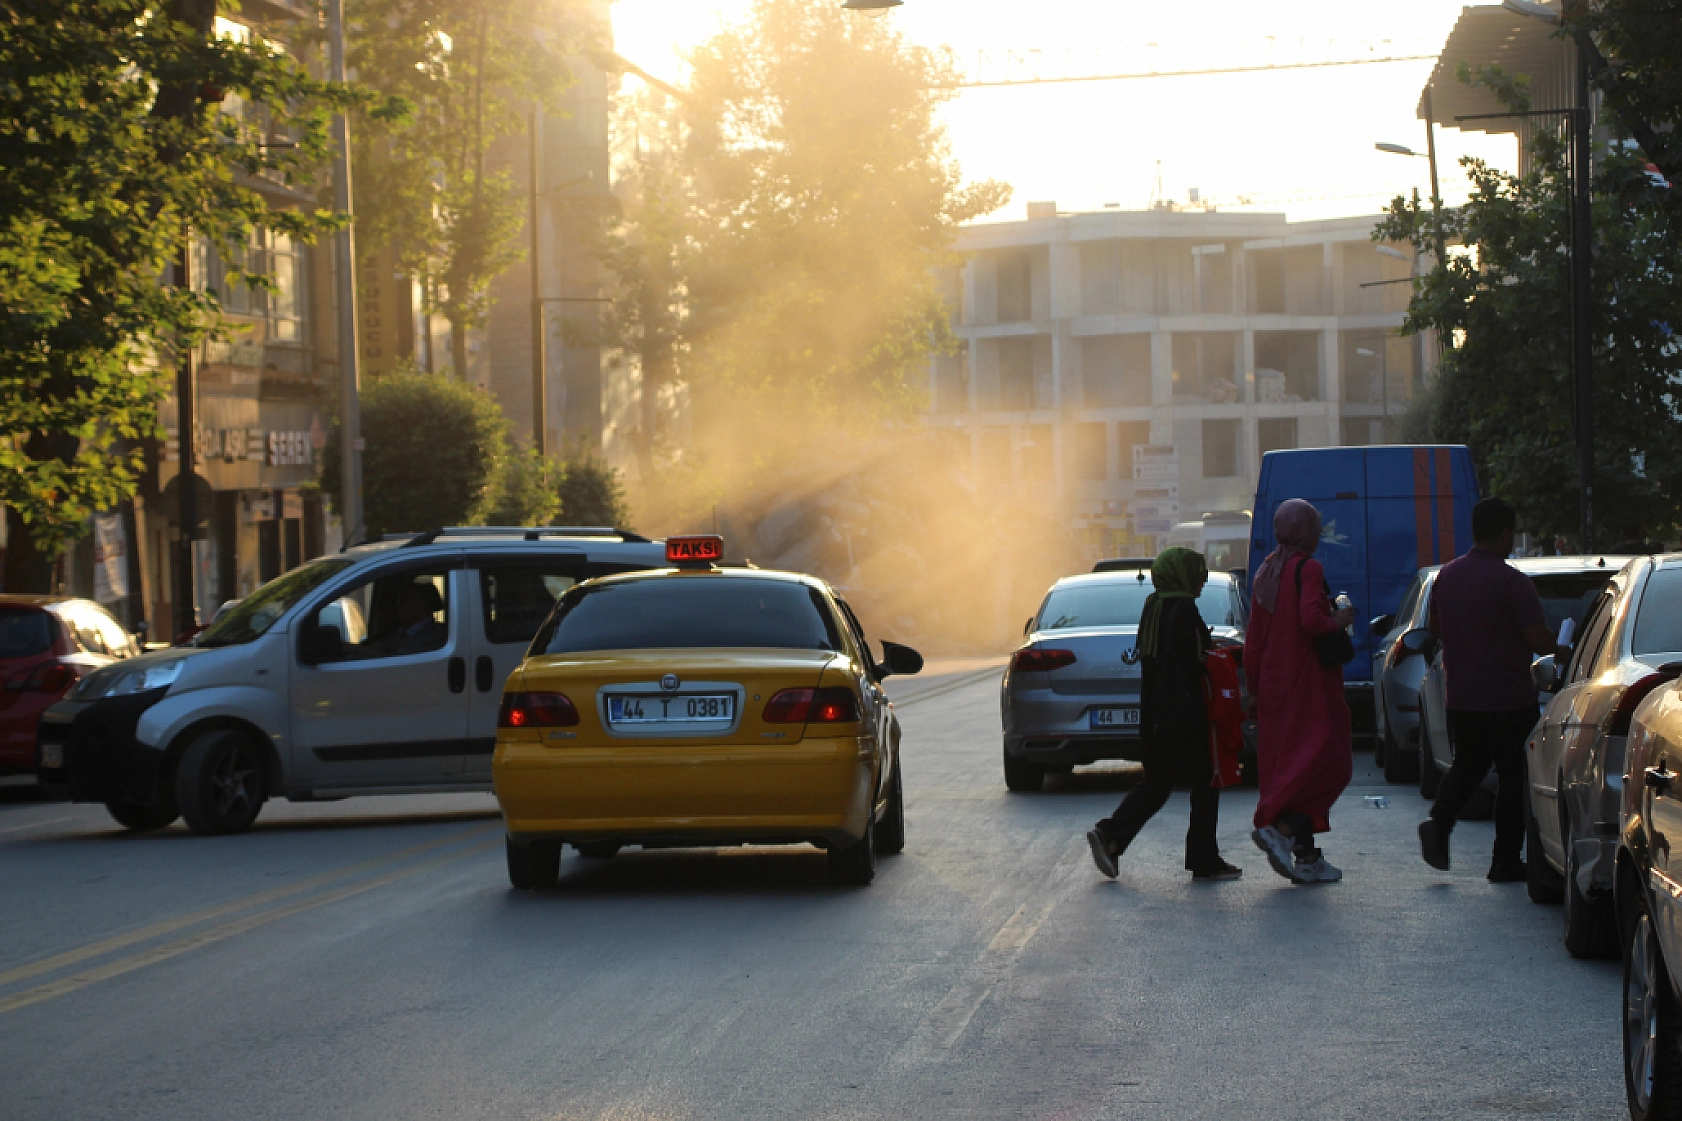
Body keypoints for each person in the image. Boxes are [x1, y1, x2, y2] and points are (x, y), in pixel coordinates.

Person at [1085, 547, 1242, 883]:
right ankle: (1204, 859)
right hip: (1184, 713)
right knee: (1204, 782)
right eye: (1197, 575)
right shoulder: (1183, 609)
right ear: (1182, 576)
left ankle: (1110, 836)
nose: (1200, 582)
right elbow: (1195, 659)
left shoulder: (1153, 606)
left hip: (1155, 711)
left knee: (1158, 782)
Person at [1417, 498, 1554, 881]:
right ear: (1506, 534)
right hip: (1510, 697)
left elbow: (1435, 626)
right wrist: (1560, 647)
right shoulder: (1513, 583)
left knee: (1469, 764)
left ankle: (1440, 823)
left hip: (1462, 695)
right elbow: (1538, 639)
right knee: (1513, 778)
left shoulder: (1448, 576)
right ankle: (1505, 860)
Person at [1245, 499, 1355, 884]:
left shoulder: (1266, 572)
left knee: (1291, 763)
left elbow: (1254, 638)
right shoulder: (1308, 568)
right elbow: (1311, 619)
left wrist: (1254, 687)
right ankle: (1283, 828)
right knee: (1331, 760)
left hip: (1274, 683)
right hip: (1306, 682)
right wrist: (1338, 619)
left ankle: (1307, 857)